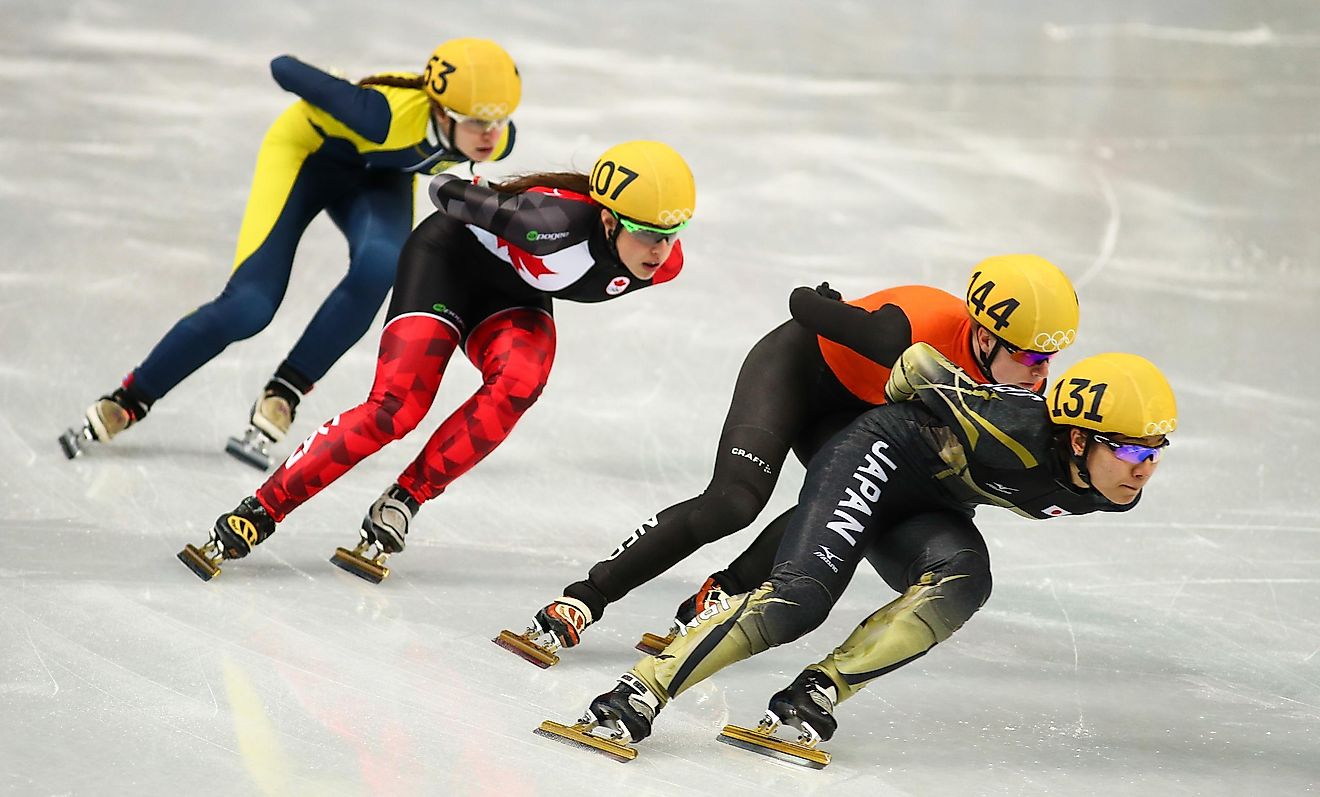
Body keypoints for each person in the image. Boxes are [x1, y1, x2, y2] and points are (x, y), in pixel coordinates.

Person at [537, 342, 1177, 766]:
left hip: (926, 505)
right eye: (1128, 450)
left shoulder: (1110, 491)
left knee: (965, 580)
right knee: (798, 603)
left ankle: (815, 693)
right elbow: (918, 374)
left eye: (1153, 454)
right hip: (872, 460)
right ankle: (636, 695)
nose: (1142, 470)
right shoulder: (1013, 424)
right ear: (1076, 435)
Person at [502, 254, 1080, 666]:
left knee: (844, 504)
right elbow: (802, 306)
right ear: (983, 336)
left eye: (1051, 356)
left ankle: (717, 596)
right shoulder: (913, 332)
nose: (1042, 370)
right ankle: (583, 598)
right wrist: (829, 304)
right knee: (734, 501)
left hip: (857, 412)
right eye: (1030, 355)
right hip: (795, 372)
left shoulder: (1011, 377)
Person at [177, 140, 698, 583]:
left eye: (671, 236)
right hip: (445, 264)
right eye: (649, 235)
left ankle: (404, 499)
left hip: (512, 295)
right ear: (608, 220)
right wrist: (483, 193)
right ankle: (261, 509)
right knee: (396, 409)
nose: (660, 251)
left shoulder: (661, 263)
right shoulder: (548, 222)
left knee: (520, 380)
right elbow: (442, 190)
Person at [59, 38, 522, 469]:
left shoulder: (496, 138)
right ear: (441, 112)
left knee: (383, 264)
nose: (490, 135)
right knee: (249, 307)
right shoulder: (377, 114)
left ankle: (285, 390)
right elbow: (283, 68)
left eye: (498, 121)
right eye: (477, 122)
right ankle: (130, 397)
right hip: (308, 156)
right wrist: (337, 87)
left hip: (377, 177)